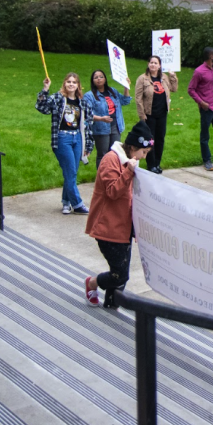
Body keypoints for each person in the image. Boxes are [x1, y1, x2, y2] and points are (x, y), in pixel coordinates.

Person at [83, 121, 155, 309]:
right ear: (133, 147)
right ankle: (91, 283)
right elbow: (113, 191)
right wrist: (129, 172)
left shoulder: (131, 163)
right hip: (108, 227)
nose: (144, 157)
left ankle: (111, 305)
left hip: (123, 228)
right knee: (120, 275)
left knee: (121, 274)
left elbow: (132, 198)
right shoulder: (111, 160)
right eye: (144, 153)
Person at [36, 71, 94, 215]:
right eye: (69, 82)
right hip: (63, 138)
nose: (71, 84)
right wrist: (45, 89)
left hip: (77, 139)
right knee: (70, 172)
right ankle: (78, 204)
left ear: (78, 85)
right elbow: (41, 107)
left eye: (74, 82)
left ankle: (66, 202)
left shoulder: (83, 103)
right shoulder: (58, 98)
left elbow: (89, 125)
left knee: (71, 173)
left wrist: (88, 145)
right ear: (64, 83)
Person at [134, 56, 177, 174]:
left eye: (155, 63)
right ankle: (151, 164)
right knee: (150, 140)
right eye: (151, 62)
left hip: (162, 114)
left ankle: (157, 163)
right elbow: (138, 98)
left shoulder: (164, 78)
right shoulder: (142, 79)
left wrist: (172, 76)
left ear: (159, 66)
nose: (153, 65)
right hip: (149, 115)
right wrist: (142, 115)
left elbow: (174, 89)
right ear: (148, 64)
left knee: (160, 139)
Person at [85, 70, 134, 164]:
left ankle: (113, 175)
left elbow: (125, 101)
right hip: (101, 128)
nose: (99, 79)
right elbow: (87, 114)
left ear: (105, 79)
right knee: (103, 154)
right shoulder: (89, 96)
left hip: (116, 126)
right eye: (96, 77)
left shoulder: (112, 91)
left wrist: (126, 87)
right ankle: (102, 177)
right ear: (92, 81)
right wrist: (101, 118)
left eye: (101, 76)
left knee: (115, 153)